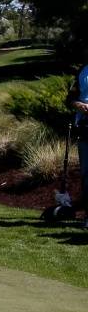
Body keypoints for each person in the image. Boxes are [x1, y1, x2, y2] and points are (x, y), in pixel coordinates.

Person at [73, 63, 88, 228]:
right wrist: (79, 105)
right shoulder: (82, 70)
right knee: (86, 173)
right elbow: (71, 97)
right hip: (85, 126)